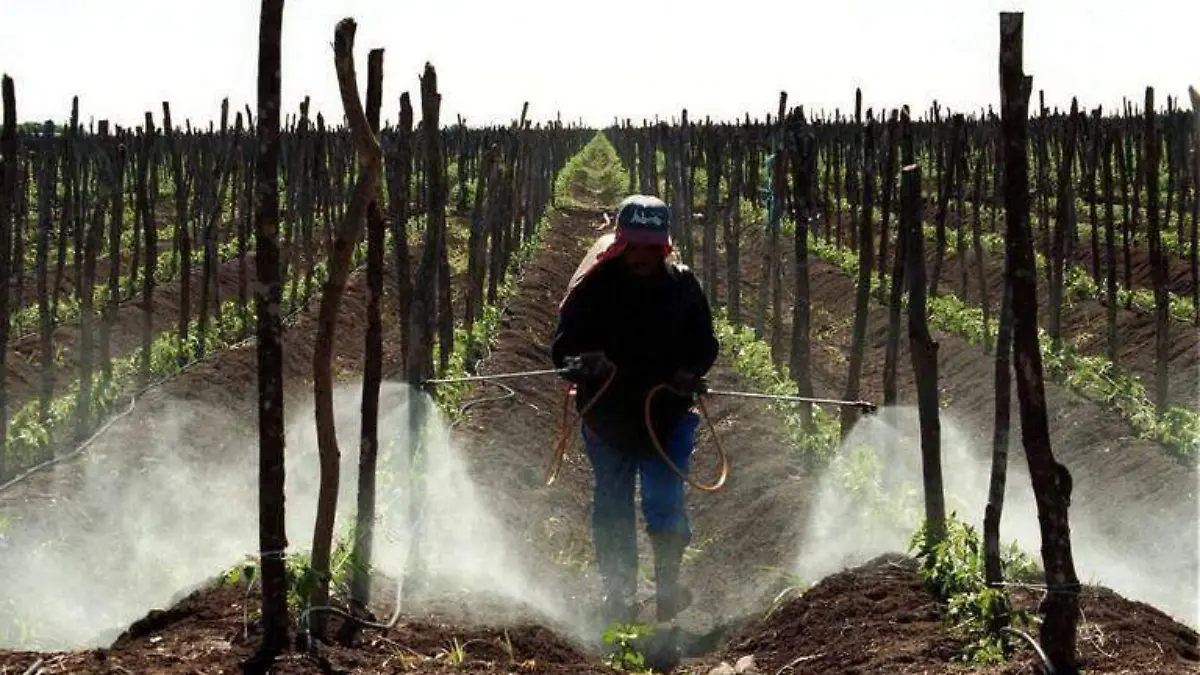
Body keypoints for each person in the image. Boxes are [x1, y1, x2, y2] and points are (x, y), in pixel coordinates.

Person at [550, 194, 720, 626]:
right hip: (607, 419)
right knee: (612, 505)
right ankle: (619, 594)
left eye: (652, 247)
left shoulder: (682, 288)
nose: (643, 255)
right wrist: (586, 361)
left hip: (667, 417)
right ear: (621, 244)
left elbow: (705, 345)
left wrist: (689, 372)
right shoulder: (593, 289)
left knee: (665, 501)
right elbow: (563, 349)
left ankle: (666, 590)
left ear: (664, 247)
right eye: (635, 246)